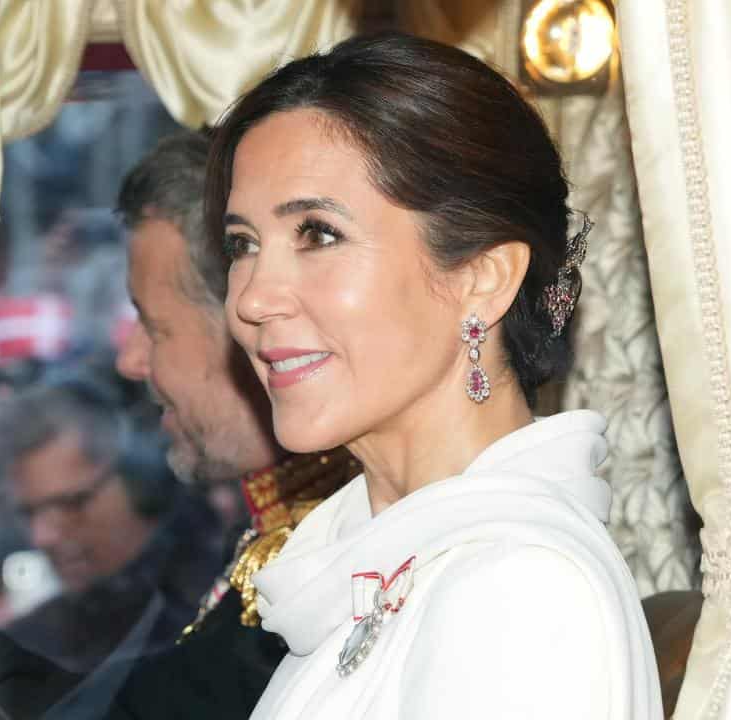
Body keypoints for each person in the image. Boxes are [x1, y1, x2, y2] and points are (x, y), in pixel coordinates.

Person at [206, 32, 660, 719]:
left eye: (317, 234)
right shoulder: (372, 571)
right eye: (243, 245)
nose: (251, 298)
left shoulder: (523, 589)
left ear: (483, 277)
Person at [0, 131, 358, 719]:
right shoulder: (287, 531)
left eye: (155, 324)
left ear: (245, 328)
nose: (130, 360)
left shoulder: (349, 551)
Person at [0, 379, 221, 674]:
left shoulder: (226, 604)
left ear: (141, 480)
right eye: (29, 513)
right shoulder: (24, 647)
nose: (42, 536)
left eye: (72, 503)